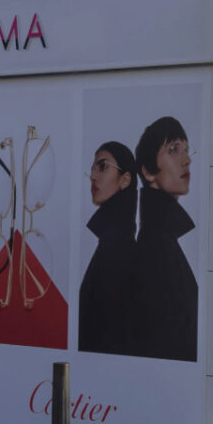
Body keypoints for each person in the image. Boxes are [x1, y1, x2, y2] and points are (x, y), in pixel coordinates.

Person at [131, 116, 197, 361]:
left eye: (187, 150)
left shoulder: (162, 238)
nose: (187, 159)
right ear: (148, 171)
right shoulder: (156, 246)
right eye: (173, 149)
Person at [78, 141, 138, 355]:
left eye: (102, 167)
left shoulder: (119, 249)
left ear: (125, 180)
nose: (93, 176)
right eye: (93, 168)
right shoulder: (111, 242)